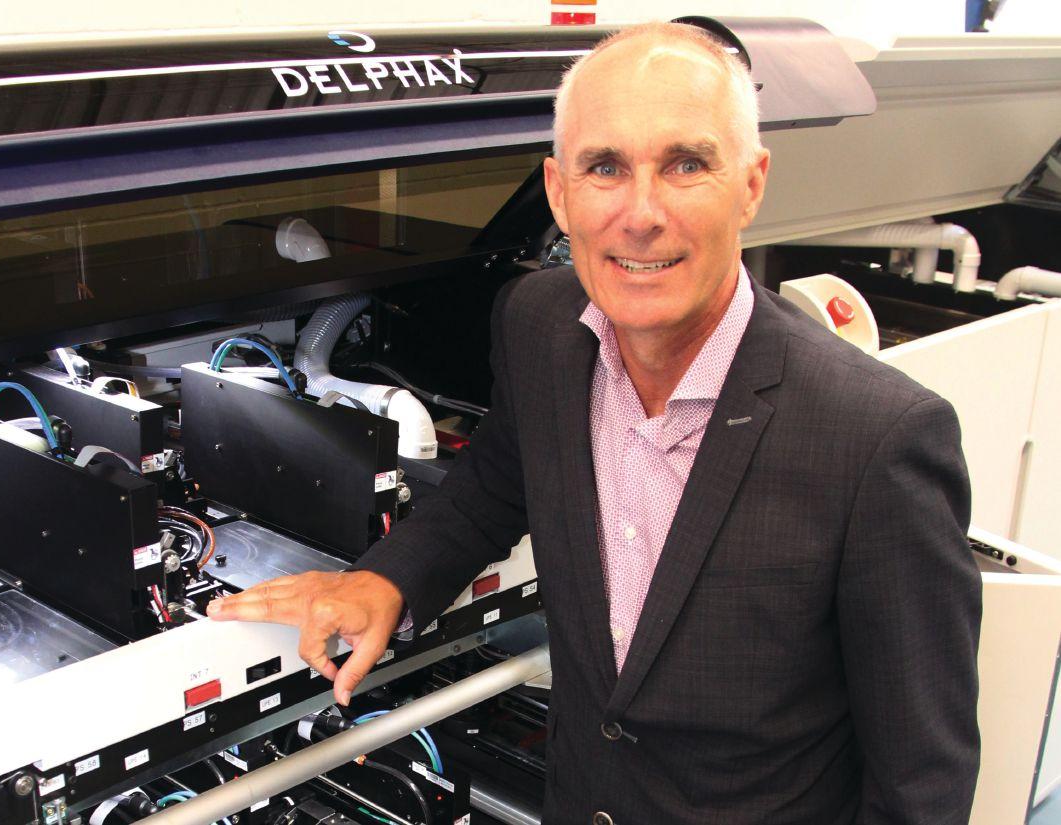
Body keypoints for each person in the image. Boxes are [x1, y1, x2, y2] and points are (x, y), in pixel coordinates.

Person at [208, 21, 982, 825]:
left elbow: (920, 786)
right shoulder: (538, 325)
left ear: (751, 184)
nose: (640, 214)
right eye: (605, 167)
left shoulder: (876, 440)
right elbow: (494, 483)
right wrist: (387, 580)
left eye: (685, 164)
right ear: (557, 190)